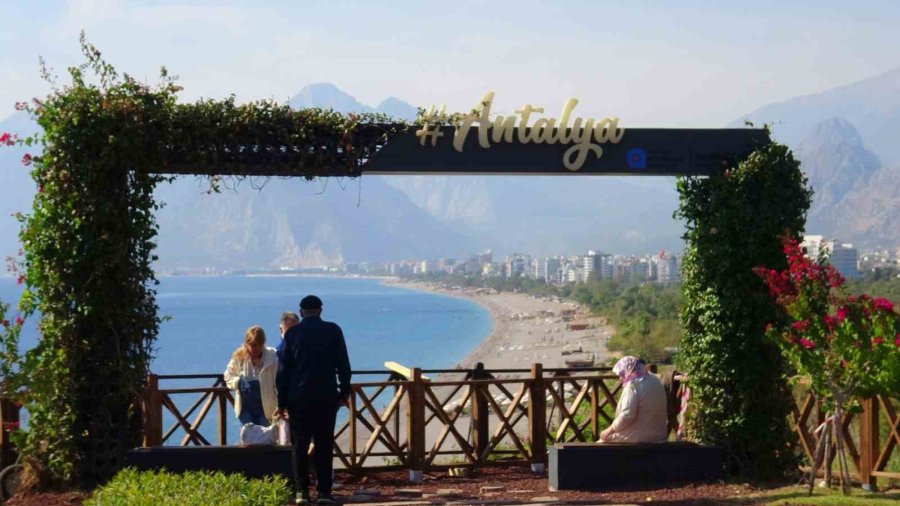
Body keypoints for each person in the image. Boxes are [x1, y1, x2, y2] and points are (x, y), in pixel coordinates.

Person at [276, 295, 351, 505]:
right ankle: (324, 492)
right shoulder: (333, 330)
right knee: (324, 444)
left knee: (299, 446)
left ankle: (301, 492)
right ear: (320, 310)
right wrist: (344, 392)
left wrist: (281, 402)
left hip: (298, 399)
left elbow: (283, 372)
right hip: (326, 396)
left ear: (301, 312)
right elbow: (343, 365)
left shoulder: (292, 335)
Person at [598, 356, 668, 443]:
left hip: (642, 437)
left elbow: (627, 415)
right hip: (659, 435)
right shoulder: (655, 379)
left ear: (629, 370)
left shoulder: (633, 386)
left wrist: (609, 430)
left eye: (621, 374)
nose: (620, 378)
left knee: (602, 440)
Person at [224, 325, 280, 427]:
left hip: (266, 408)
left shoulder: (272, 357)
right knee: (248, 438)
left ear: (263, 343)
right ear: (246, 343)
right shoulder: (239, 357)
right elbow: (228, 376)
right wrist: (239, 382)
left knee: (265, 438)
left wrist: (279, 405)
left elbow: (278, 381)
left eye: (258, 345)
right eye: (251, 345)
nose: (254, 348)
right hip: (245, 409)